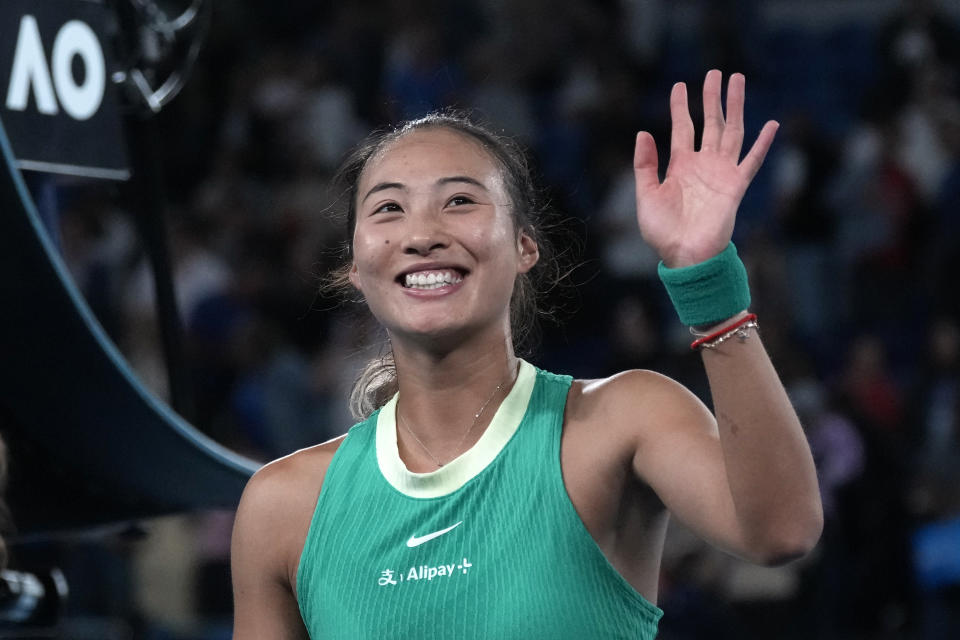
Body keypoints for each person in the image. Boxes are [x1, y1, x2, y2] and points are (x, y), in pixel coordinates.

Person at [230, 69, 823, 639]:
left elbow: (781, 530)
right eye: (388, 208)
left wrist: (708, 286)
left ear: (524, 248)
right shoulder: (283, 505)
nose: (421, 233)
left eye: (460, 201)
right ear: (356, 268)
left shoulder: (622, 421)